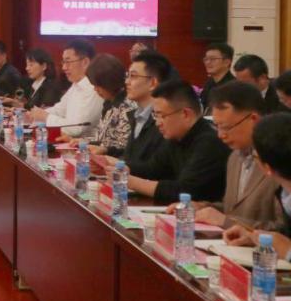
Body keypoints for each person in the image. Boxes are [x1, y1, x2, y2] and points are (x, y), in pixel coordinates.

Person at [179, 81, 283, 230]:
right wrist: (202, 207)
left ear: (253, 119)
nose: (220, 135)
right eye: (217, 126)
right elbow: (233, 209)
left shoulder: (279, 159)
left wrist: (227, 222)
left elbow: (283, 231)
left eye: (226, 127)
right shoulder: (234, 157)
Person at [105, 80, 229, 203]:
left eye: (162, 116)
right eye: (156, 116)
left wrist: (128, 181)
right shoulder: (176, 137)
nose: (158, 123)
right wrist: (118, 165)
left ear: (185, 114)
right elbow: (152, 169)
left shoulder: (209, 143)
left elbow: (184, 191)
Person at [223, 113, 291, 259]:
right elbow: (284, 232)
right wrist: (256, 237)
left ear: (265, 167)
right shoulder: (285, 194)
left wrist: (288, 251)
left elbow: (286, 244)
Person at [28, 39, 102, 138]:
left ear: (85, 62)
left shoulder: (94, 88)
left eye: (68, 62)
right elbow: (59, 109)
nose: (64, 67)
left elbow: (77, 128)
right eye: (63, 62)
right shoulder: (76, 85)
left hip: (84, 145)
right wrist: (35, 114)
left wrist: (45, 117)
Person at [114, 51, 169, 166]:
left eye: (133, 76)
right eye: (127, 76)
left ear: (152, 83)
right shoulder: (137, 115)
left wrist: (117, 164)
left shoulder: (164, 120)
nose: (126, 82)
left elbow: (155, 168)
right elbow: (132, 157)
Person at [83, 54, 133, 155]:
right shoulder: (109, 103)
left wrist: (105, 150)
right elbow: (102, 138)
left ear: (109, 82)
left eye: (98, 85)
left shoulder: (127, 106)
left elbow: (124, 147)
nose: (95, 89)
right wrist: (83, 141)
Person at [200, 42, 235, 110]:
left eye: (213, 59)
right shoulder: (209, 83)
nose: (208, 62)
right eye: (206, 59)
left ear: (227, 62)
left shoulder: (233, 87)